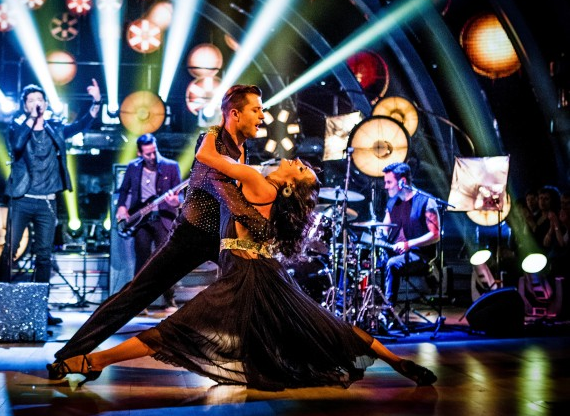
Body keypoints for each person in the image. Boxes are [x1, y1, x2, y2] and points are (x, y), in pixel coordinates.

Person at [47, 128, 437, 390]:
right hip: (270, 273)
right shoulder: (269, 191)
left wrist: (213, 132)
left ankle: (92, 362)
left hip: (244, 275)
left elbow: (208, 159)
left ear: (289, 184)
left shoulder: (258, 182)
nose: (294, 160)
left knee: (176, 329)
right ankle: (397, 361)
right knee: (328, 327)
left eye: (299, 168)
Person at [50, 84, 269, 363]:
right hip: (190, 237)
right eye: (256, 109)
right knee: (136, 294)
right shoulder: (212, 139)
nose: (262, 116)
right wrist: (260, 224)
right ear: (235, 114)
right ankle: (69, 354)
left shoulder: (243, 148)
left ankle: (263, 353)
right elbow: (224, 189)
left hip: (219, 237)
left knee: (258, 280)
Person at [0, 80, 102, 326]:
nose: (36, 103)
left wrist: (96, 101)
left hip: (47, 203)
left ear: (45, 103)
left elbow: (82, 125)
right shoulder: (16, 127)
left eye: (39, 100)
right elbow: (17, 145)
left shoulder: (56, 129)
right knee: (10, 249)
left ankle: (39, 309)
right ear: (25, 106)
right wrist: (32, 120)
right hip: (22, 199)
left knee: (43, 256)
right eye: (31, 101)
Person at [115, 133, 182, 312]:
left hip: (163, 219)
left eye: (154, 152)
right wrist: (121, 207)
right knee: (142, 261)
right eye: (148, 154)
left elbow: (180, 195)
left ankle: (169, 300)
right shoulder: (133, 167)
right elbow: (124, 190)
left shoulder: (170, 166)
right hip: (141, 220)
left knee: (165, 259)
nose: (152, 157)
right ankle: (139, 302)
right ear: (140, 153)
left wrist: (176, 202)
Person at [379, 162, 440, 308]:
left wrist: (408, 244)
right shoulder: (392, 203)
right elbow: (384, 227)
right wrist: (380, 234)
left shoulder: (426, 201)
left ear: (402, 181)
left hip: (419, 254)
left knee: (392, 264)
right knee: (359, 258)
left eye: (389, 182)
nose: (386, 186)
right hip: (395, 251)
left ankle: (387, 311)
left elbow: (435, 234)